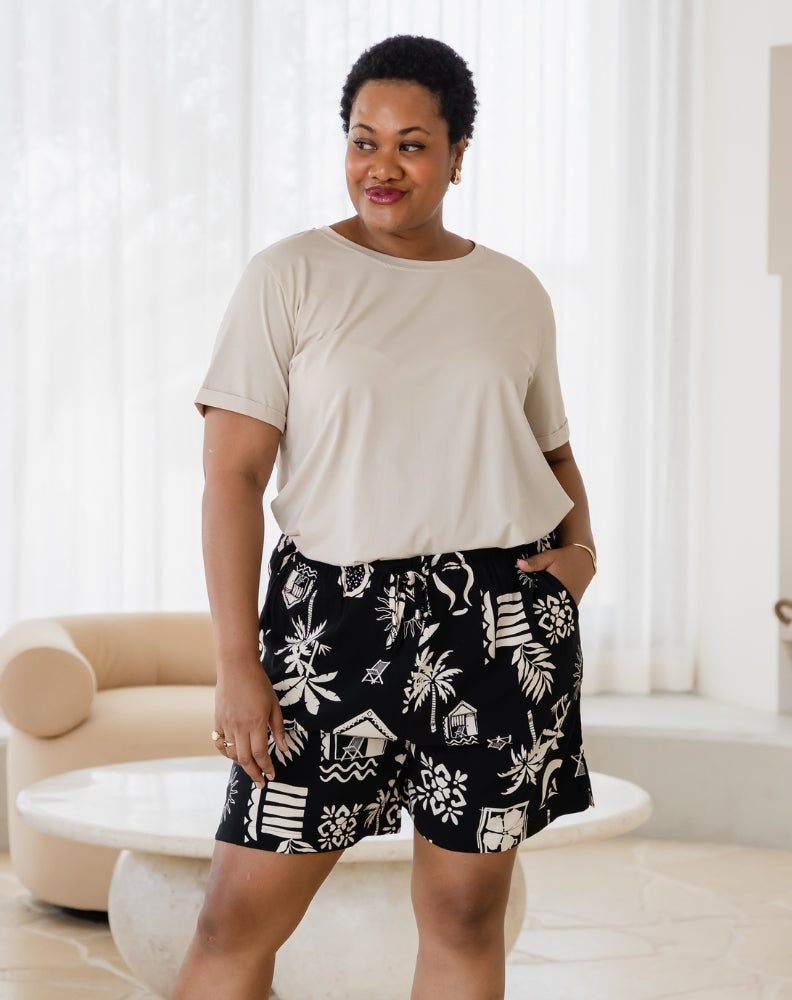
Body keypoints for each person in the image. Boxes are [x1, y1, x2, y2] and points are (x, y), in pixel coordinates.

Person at [175, 33, 597, 1000]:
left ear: (458, 154)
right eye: (364, 141)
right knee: (234, 917)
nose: (383, 166)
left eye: (412, 144)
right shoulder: (289, 274)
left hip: (497, 621)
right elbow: (232, 477)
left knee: (464, 914)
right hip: (333, 622)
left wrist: (581, 552)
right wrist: (236, 661)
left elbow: (550, 448)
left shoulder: (513, 290)